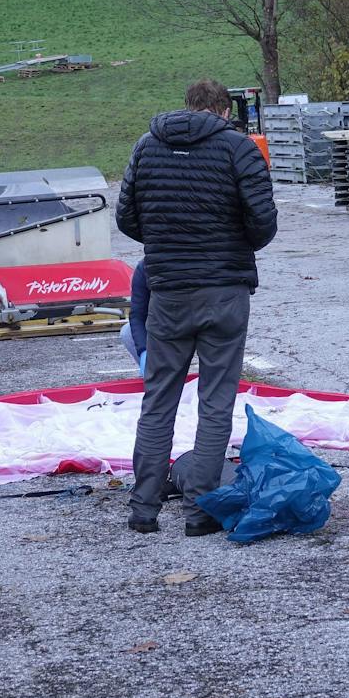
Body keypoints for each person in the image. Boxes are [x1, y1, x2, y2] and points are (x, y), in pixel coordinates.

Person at [116, 78, 278, 536]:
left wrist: (167, 243)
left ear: (187, 106)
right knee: (215, 403)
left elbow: (126, 217)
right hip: (224, 292)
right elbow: (264, 223)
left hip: (168, 293)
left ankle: (143, 508)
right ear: (224, 111)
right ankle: (199, 511)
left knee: (158, 400)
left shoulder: (147, 146)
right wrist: (227, 243)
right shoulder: (238, 149)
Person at [118, 260, 150, 378]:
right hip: (163, 323)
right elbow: (137, 315)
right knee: (128, 332)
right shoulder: (144, 268)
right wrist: (144, 350)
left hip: (196, 320)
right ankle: (152, 373)